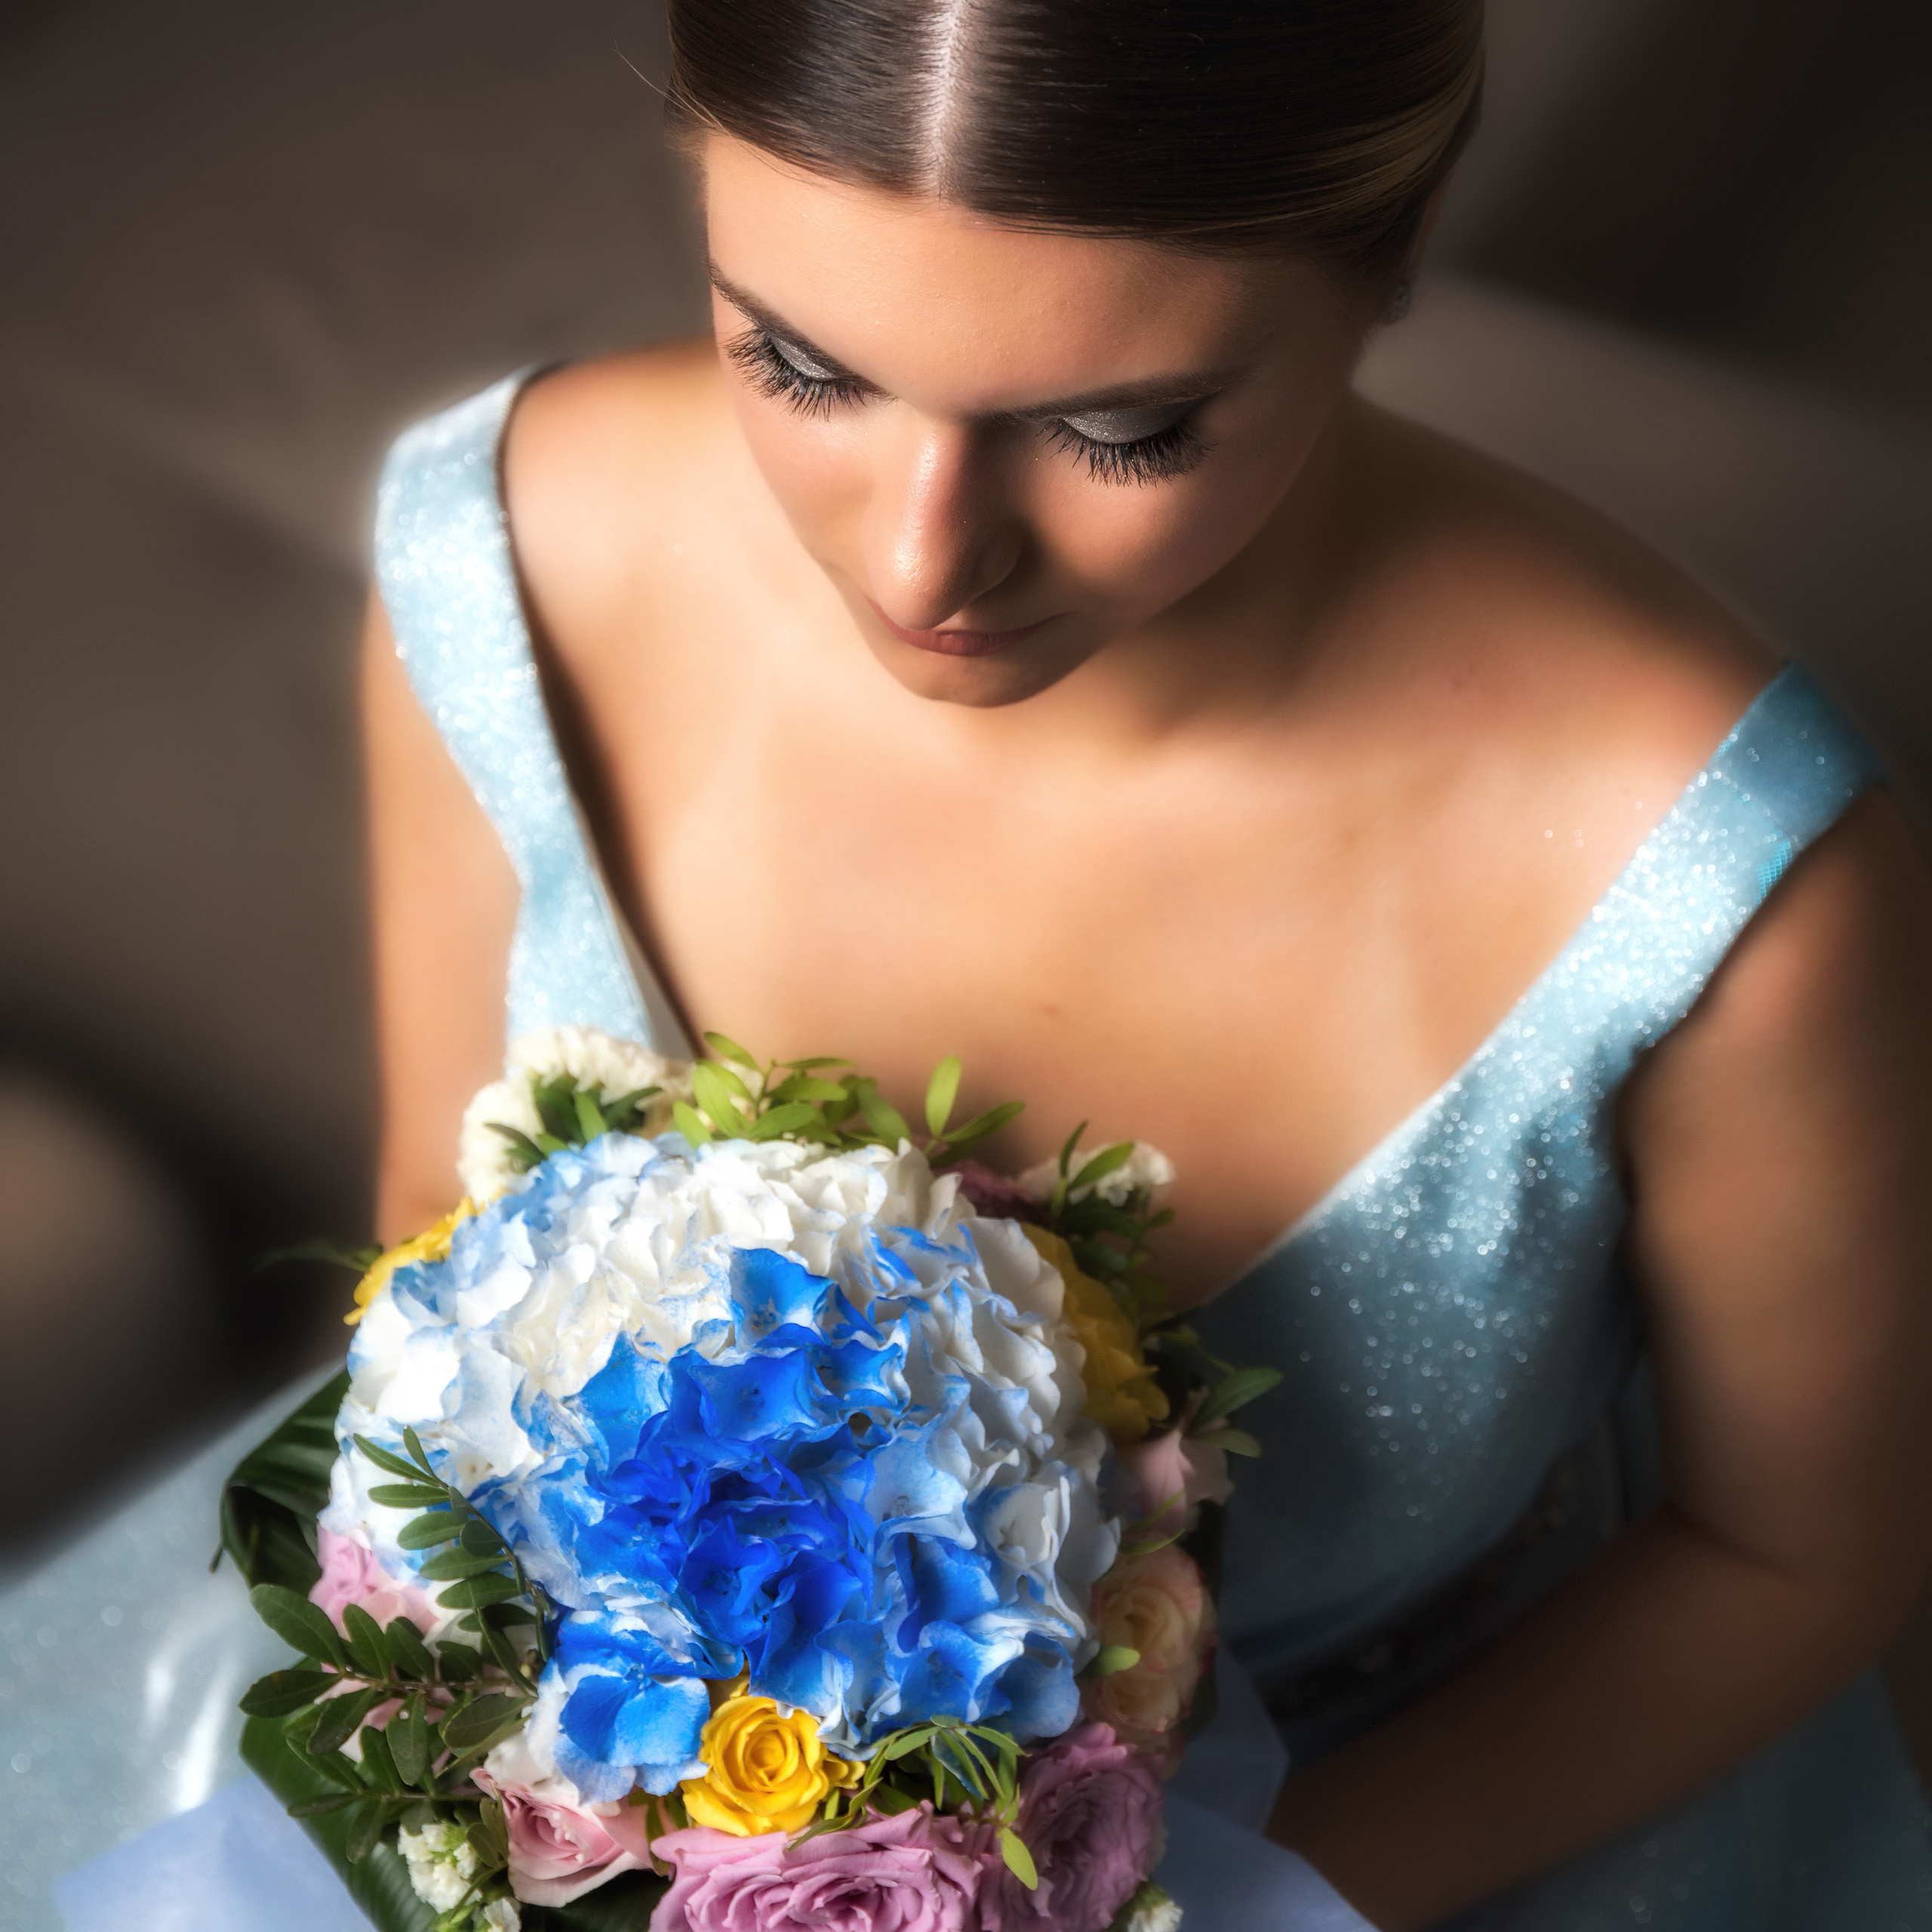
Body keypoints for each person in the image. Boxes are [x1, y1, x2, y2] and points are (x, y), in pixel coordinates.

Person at [361, 2, 1932, 1924]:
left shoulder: (1727, 890)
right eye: (798, 362)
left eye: (1116, 429)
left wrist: (1163, 1899)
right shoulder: (516, 562)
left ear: (1405, 227)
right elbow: (428, 1239)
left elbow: (1792, 1556)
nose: (924, 562)